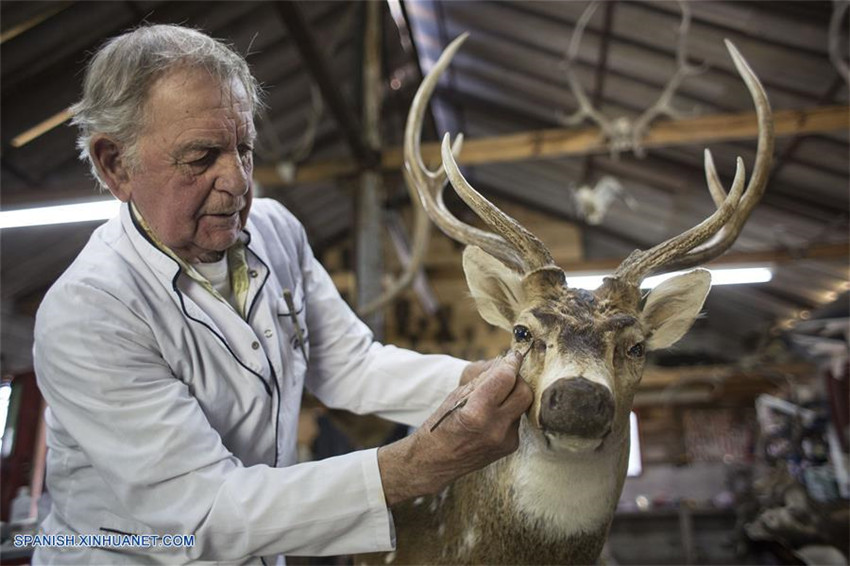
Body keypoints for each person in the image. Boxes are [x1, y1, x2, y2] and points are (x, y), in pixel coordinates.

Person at [32, 24, 533, 564]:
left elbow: (350, 366)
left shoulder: (274, 231)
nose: (239, 180)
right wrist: (415, 465)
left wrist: (485, 381)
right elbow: (204, 511)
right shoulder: (89, 313)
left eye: (242, 148)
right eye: (201, 157)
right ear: (115, 165)